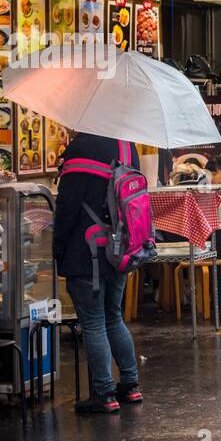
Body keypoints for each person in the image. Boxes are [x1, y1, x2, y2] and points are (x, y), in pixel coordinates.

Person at [54, 132, 145, 414]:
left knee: (93, 323)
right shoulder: (127, 145)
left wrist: (58, 251)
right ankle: (130, 386)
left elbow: (66, 208)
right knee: (113, 317)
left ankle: (105, 394)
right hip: (119, 249)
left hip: (85, 250)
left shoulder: (81, 147)